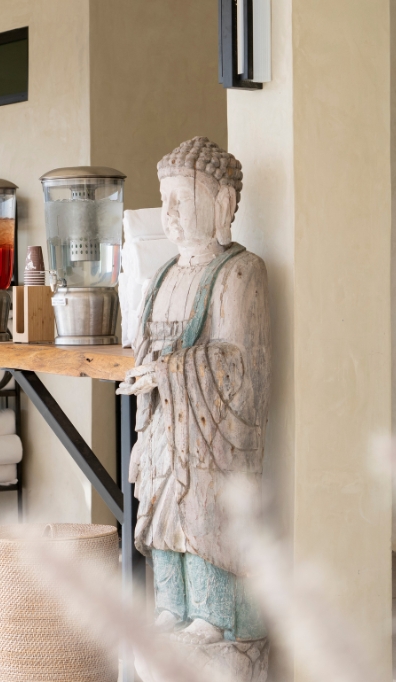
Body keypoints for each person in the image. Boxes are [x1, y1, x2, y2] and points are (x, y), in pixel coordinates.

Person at [118, 137, 270, 646]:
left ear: (222, 204)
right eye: (165, 200)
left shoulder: (239, 271)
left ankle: (215, 615)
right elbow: (146, 343)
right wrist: (147, 371)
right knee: (161, 511)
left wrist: (169, 372)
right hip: (165, 424)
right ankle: (171, 604)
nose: (171, 213)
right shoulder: (162, 275)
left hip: (213, 435)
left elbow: (239, 361)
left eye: (182, 199)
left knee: (204, 511)